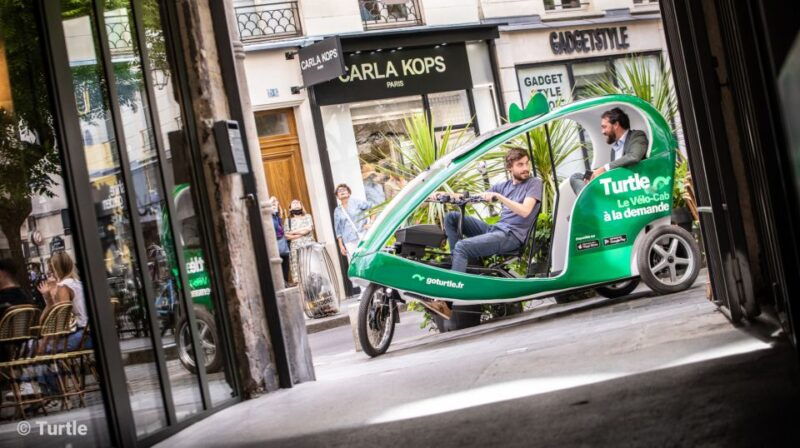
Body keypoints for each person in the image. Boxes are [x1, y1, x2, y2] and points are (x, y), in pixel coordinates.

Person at [426, 148, 543, 318]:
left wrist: (499, 197)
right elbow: (473, 197)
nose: (525, 168)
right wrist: (443, 195)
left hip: (511, 236)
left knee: (462, 246)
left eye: (526, 163)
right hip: (496, 230)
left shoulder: (534, 183)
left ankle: (448, 302)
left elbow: (525, 211)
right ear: (509, 167)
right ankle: (458, 267)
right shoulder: (504, 186)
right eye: (520, 165)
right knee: (452, 217)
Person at [570, 107, 648, 194]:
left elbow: (634, 156)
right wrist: (596, 173)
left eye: (604, 127)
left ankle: (590, 205)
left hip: (631, 185)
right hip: (617, 185)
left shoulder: (637, 135)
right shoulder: (615, 148)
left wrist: (605, 168)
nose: (602, 132)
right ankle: (590, 201)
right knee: (577, 177)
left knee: (577, 177)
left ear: (615, 125)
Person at [333, 183, 371, 260]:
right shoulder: (337, 211)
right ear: (337, 196)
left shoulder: (357, 202)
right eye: (339, 191)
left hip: (363, 234)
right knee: (355, 260)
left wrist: (371, 223)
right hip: (348, 240)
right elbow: (338, 230)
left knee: (367, 257)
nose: (342, 192)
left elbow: (371, 208)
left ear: (349, 193)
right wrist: (341, 246)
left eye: (344, 190)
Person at [284, 199, 315, 284]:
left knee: (312, 268)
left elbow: (308, 229)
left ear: (302, 206)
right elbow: (286, 235)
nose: (296, 204)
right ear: (290, 209)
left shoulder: (308, 216)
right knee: (300, 270)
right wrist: (300, 234)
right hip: (295, 250)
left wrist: (293, 232)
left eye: (298, 203)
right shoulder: (288, 221)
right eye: (294, 203)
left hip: (309, 247)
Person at [270, 196, 291, 283]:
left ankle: (285, 282)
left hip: (283, 246)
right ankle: (282, 283)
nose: (274, 203)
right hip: (275, 246)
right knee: (279, 268)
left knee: (285, 266)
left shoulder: (277, 217)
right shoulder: (269, 218)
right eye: (272, 202)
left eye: (276, 201)